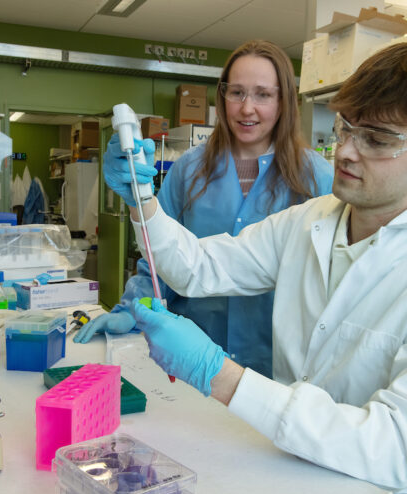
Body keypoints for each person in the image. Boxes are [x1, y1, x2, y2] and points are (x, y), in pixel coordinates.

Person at [102, 42, 407, 494]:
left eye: (377, 139)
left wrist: (219, 374)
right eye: (346, 126)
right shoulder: (309, 221)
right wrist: (142, 197)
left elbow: (399, 448)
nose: (345, 151)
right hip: (298, 471)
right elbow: (198, 267)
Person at [74, 40, 333, 377]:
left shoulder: (317, 178)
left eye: (262, 95)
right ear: (221, 96)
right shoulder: (189, 170)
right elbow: (158, 254)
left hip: (274, 367)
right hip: (191, 355)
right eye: (236, 92)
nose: (246, 108)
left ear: (284, 101)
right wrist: (132, 309)